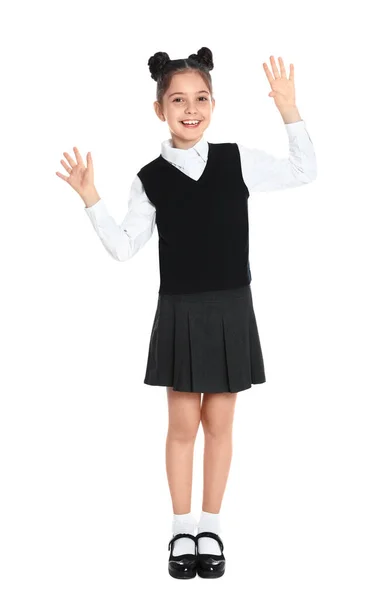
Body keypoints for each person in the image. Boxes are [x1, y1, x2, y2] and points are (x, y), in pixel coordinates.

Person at [55, 46, 317, 579]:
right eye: (178, 100)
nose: (190, 109)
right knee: (182, 424)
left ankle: (212, 526)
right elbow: (125, 246)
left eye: (200, 99)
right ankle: (181, 531)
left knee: (220, 422)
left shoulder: (235, 160)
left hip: (230, 308)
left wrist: (289, 109)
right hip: (179, 311)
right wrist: (90, 199)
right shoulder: (149, 177)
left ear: (214, 105)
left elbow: (303, 170)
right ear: (160, 109)